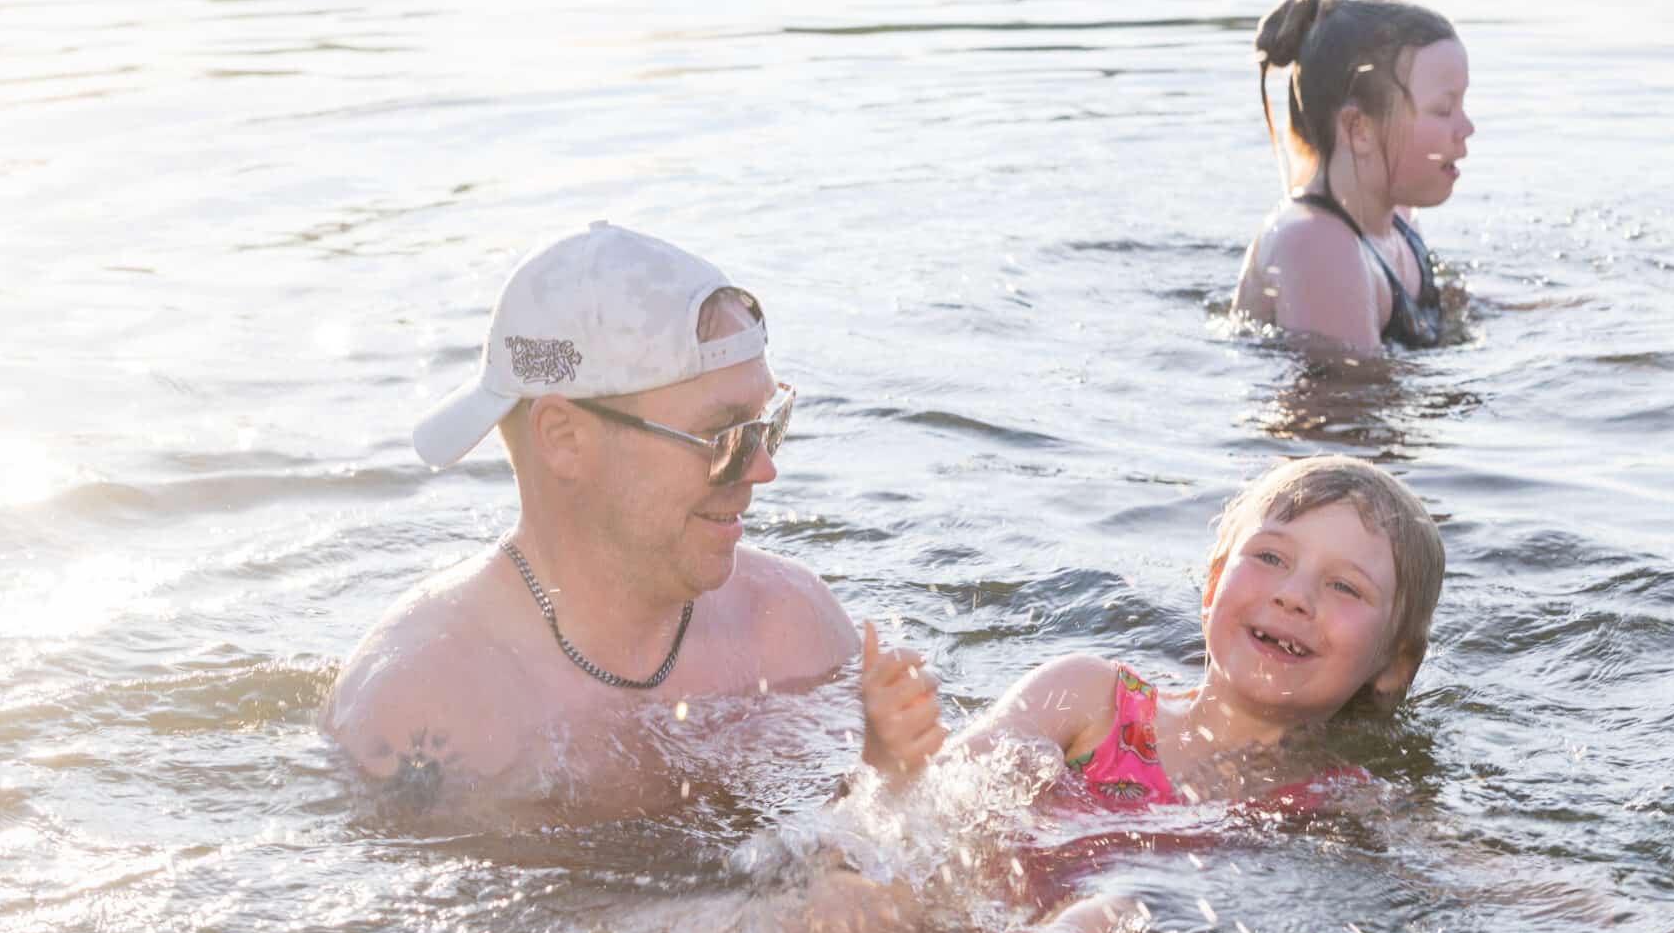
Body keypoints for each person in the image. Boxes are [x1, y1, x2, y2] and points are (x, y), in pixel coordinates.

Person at [323, 221, 942, 812]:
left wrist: (882, 789)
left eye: (767, 425)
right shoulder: (423, 704)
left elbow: (855, 845)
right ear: (564, 438)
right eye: (724, 436)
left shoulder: (791, 626)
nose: (762, 469)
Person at [861, 455, 1445, 814]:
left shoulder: (1343, 801)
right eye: (1270, 557)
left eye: (1344, 587)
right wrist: (894, 763)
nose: (1294, 595)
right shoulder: (1090, 700)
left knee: (1110, 915)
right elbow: (945, 801)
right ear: (1212, 587)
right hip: (962, 928)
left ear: (1395, 664)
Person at [1229, 0, 1474, 353]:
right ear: (1359, 129)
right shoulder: (1318, 246)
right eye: (1443, 110)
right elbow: (1349, 387)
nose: (1467, 128)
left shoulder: (1398, 221)